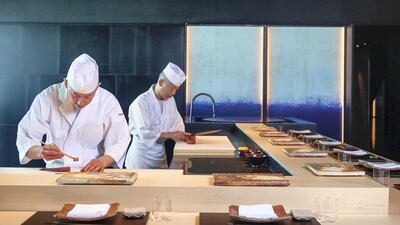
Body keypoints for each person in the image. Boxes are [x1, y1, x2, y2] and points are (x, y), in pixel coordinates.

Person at [16, 53, 131, 172]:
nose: (81, 102)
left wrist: (102, 161)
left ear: (97, 87)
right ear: (65, 83)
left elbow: (119, 141)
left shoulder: (108, 102)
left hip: (94, 172)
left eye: (88, 96)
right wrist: (41, 152)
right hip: (56, 170)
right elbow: (26, 139)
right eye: (75, 94)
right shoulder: (47, 98)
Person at [125, 62, 195, 169]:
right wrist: (173, 135)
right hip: (140, 160)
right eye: (172, 88)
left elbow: (177, 124)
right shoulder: (141, 102)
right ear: (161, 82)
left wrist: (184, 137)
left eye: (176, 89)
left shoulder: (170, 101)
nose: (173, 93)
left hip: (160, 157)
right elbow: (145, 133)